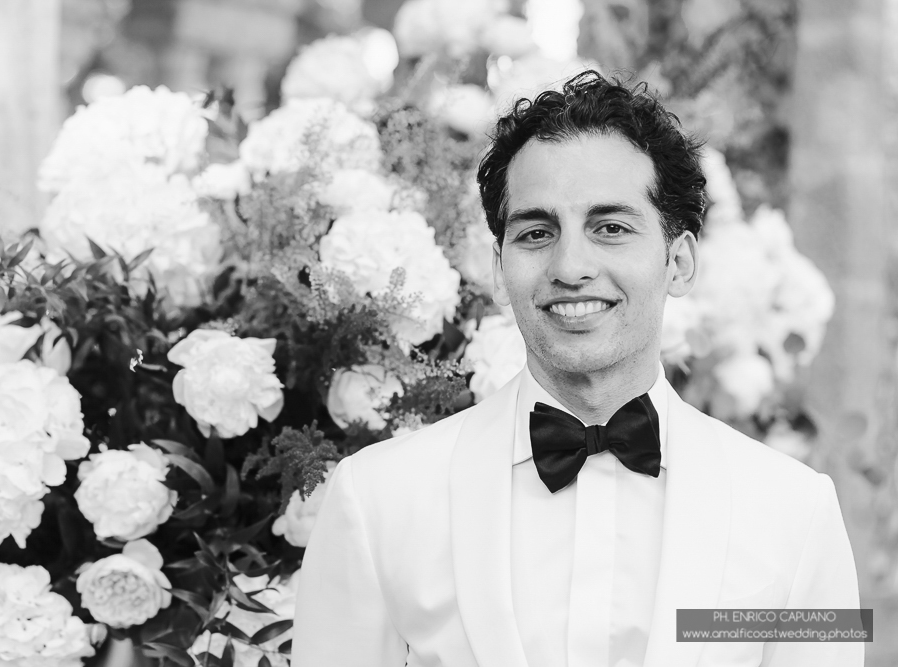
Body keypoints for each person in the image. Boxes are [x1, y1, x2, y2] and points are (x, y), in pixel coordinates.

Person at [291, 71, 863, 667]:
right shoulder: (376, 498)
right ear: (498, 268)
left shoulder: (798, 511)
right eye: (537, 232)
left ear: (680, 261)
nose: (570, 266)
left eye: (610, 228)